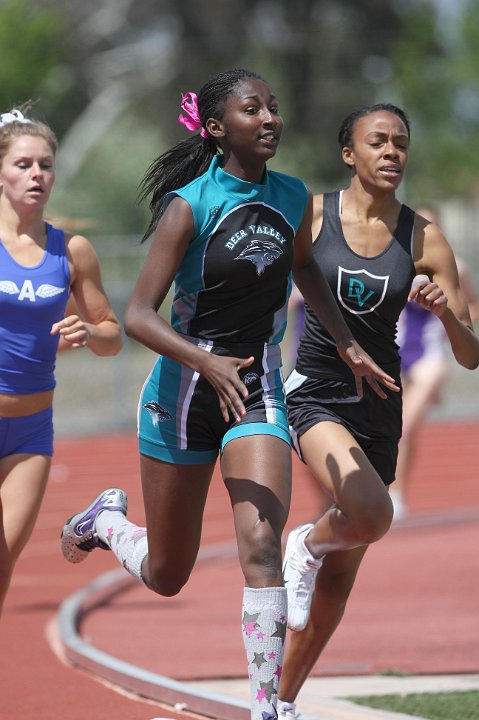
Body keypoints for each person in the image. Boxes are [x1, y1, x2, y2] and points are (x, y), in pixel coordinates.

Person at [59, 70, 398, 720]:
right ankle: (105, 521)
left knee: (263, 548)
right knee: (166, 574)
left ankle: (264, 709)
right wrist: (202, 361)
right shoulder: (190, 204)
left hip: (257, 393)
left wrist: (345, 341)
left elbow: (301, 265)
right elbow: (137, 316)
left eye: (272, 106)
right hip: (179, 397)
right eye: (252, 110)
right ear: (217, 128)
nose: (269, 118)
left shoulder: (293, 195)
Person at [276, 103, 479, 720]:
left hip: (379, 406)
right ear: (349, 154)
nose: (391, 153)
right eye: (378, 142)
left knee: (342, 576)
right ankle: (304, 544)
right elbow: (261, 286)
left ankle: (278, 703)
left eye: (400, 144)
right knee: (372, 512)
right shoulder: (310, 215)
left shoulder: (424, 237)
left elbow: (470, 355)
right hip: (314, 392)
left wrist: (446, 309)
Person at [0, 106, 122, 619]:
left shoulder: (71, 250)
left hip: (30, 433)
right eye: (24, 164)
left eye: (45, 165)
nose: (37, 175)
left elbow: (112, 335)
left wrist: (90, 331)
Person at [391, 206, 479, 519]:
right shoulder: (394, 261)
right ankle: (389, 490)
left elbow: (470, 305)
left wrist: (449, 321)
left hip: (429, 357)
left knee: (405, 424)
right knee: (394, 426)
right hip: (396, 354)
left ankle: (395, 495)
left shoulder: (455, 266)